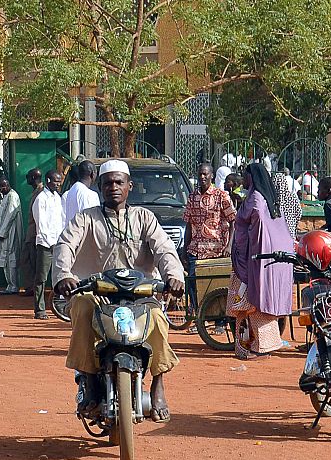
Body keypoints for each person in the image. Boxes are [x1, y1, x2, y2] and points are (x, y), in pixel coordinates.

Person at [54, 160, 185, 421]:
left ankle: (158, 384)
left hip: (140, 294)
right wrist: (63, 275)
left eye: (119, 182)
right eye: (108, 183)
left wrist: (174, 276)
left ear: (129, 187)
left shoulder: (144, 217)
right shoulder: (86, 218)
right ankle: (90, 380)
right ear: (100, 187)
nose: (113, 187)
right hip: (97, 293)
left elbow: (164, 249)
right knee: (81, 307)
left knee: (158, 318)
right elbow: (65, 245)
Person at [227, 162, 294, 358]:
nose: (244, 180)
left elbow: (252, 224)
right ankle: (254, 345)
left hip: (250, 258)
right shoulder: (267, 199)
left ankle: (257, 346)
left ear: (253, 178)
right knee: (252, 304)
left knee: (248, 304)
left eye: (246, 176)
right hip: (256, 257)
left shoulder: (255, 198)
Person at [181, 163, 235, 315]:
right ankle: (198, 316)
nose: (202, 177)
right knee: (192, 284)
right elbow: (188, 225)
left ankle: (219, 318)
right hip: (195, 250)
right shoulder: (192, 197)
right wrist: (184, 250)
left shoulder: (221, 196)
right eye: (200, 174)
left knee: (217, 286)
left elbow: (233, 221)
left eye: (205, 174)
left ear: (212, 176)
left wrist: (229, 246)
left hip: (216, 250)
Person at [30, 169, 65, 319]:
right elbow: (41, 223)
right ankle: (39, 309)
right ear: (48, 181)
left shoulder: (58, 197)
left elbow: (62, 220)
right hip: (45, 243)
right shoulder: (41, 198)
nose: (58, 184)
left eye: (59, 181)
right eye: (55, 181)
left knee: (59, 276)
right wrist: (49, 241)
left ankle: (60, 306)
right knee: (41, 278)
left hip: (58, 242)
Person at [0, 175, 22, 295]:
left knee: (11, 260)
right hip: (4, 234)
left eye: (1, 187)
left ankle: (13, 286)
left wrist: (3, 233)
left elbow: (10, 215)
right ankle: (10, 285)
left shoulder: (12, 196)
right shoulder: (5, 196)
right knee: (6, 260)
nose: (0, 189)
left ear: (6, 185)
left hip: (10, 233)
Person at [61, 159, 100, 228]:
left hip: (71, 234)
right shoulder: (89, 194)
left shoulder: (71, 191)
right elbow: (91, 221)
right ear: (92, 174)